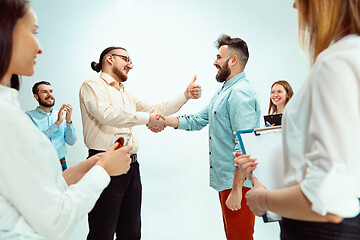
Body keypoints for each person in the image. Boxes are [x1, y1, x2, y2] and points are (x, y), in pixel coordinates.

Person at [0, 0, 133, 239]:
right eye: (33, 32)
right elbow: (55, 219)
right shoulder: (9, 119)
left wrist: (91, 164)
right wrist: (102, 170)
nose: (39, 47)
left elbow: (44, 187)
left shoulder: (10, 112)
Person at [235, 0, 360, 239]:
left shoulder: (335, 63)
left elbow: (328, 199)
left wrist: (263, 200)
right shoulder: (350, 56)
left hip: (318, 230)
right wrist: (259, 171)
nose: (294, 6)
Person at [79, 46, 202, 240]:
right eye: (126, 59)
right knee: (102, 232)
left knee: (132, 232)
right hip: (103, 163)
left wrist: (185, 95)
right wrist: (148, 119)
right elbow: (107, 114)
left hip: (131, 166)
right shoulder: (92, 86)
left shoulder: (126, 94)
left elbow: (156, 109)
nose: (130, 65)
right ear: (109, 59)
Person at [159, 35, 261, 240]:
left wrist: (237, 188)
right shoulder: (224, 92)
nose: (215, 62)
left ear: (233, 60)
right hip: (226, 181)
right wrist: (164, 120)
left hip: (237, 184)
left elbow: (244, 144)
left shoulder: (240, 94)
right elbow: (198, 119)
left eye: (219, 57)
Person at [26, 81, 77, 171]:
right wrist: (57, 124)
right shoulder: (28, 116)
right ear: (36, 96)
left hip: (61, 164)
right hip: (40, 165)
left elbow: (71, 141)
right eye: (44, 92)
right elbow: (36, 141)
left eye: (51, 91)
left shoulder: (60, 115)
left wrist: (68, 121)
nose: (49, 95)